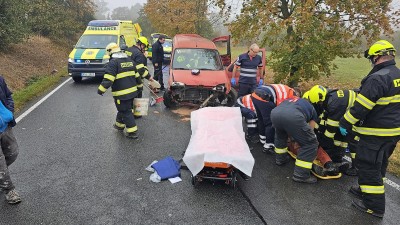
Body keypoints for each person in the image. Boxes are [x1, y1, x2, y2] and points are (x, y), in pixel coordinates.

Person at [339, 40, 400, 218]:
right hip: (393, 132)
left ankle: (373, 206)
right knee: (379, 163)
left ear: (377, 57)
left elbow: (360, 107)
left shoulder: (377, 78)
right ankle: (366, 190)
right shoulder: (397, 75)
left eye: (372, 58)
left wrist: (344, 122)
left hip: (375, 132)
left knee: (367, 166)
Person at [97, 43, 150, 139]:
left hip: (122, 94)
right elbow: (137, 76)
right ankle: (119, 125)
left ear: (110, 52)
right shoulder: (129, 60)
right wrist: (139, 88)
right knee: (123, 109)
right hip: (133, 93)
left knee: (125, 111)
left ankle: (132, 131)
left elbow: (108, 79)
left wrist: (101, 90)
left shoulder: (113, 63)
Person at [306, 85, 358, 176]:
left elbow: (331, 128)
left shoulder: (333, 104)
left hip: (360, 116)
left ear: (320, 101)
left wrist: (324, 142)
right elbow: (324, 120)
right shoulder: (331, 97)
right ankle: (337, 159)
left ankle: (356, 168)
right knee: (340, 138)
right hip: (352, 115)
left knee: (352, 140)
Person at [271, 96, 319, 183]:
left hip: (275, 113)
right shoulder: (311, 108)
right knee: (310, 143)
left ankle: (280, 159)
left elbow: (288, 127)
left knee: (281, 136)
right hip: (293, 116)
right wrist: (301, 141)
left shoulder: (291, 100)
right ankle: (301, 175)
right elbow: (310, 130)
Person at [251, 84, 296, 153]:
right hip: (264, 97)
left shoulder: (286, 89)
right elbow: (279, 109)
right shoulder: (289, 96)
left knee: (261, 119)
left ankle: (262, 139)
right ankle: (268, 145)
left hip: (255, 95)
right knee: (270, 122)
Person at [0, 75, 21, 204]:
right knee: (0, 163)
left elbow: (8, 96)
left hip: (5, 126)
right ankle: (9, 190)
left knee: (13, 153)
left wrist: (10, 111)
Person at [125, 37, 151, 118]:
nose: (144, 50)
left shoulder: (128, 50)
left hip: (126, 77)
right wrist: (149, 77)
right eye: (144, 48)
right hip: (136, 79)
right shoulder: (139, 54)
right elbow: (141, 70)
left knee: (129, 96)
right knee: (138, 95)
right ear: (142, 45)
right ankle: (138, 114)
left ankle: (129, 112)